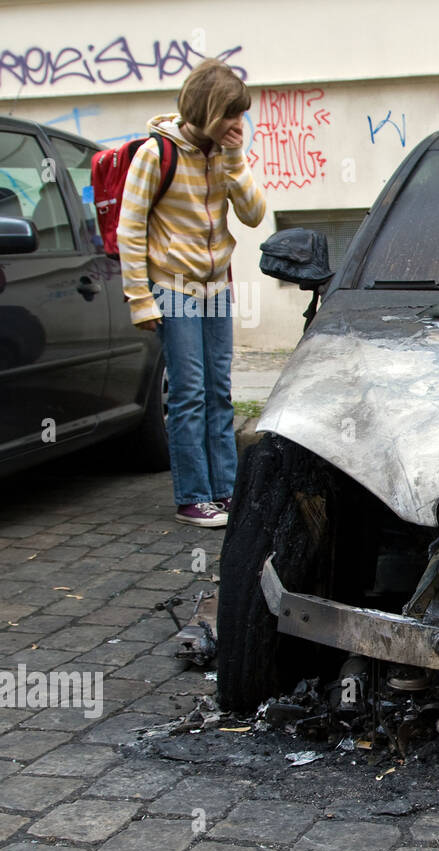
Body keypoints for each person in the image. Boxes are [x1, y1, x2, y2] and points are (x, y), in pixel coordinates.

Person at [117, 58, 267, 527]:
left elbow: (254, 214)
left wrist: (235, 159)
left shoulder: (225, 155)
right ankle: (193, 497)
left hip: (216, 287)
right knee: (188, 394)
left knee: (219, 392)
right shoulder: (156, 154)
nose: (237, 124)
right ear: (206, 109)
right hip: (173, 287)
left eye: (240, 115)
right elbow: (130, 228)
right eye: (230, 114)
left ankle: (225, 491)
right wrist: (139, 298)